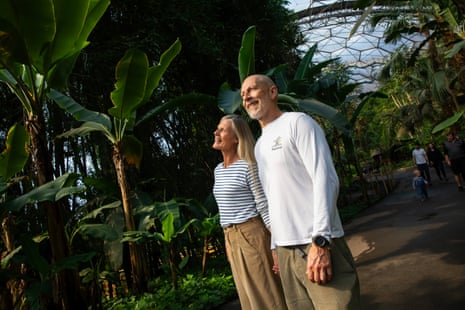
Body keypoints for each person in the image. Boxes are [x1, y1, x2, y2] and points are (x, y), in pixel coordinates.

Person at [241, 74, 360, 309]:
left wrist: (321, 241)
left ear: (272, 92)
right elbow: (273, 199)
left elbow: (325, 178)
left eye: (253, 90)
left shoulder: (298, 122)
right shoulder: (260, 145)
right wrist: (275, 245)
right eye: (244, 94)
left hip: (315, 242)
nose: (247, 97)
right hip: (286, 252)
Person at [212, 114, 287, 310]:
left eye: (222, 129)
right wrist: (228, 243)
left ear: (236, 138)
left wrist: (275, 245)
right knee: (249, 300)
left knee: (267, 297)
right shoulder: (218, 170)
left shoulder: (249, 166)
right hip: (232, 238)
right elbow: (224, 211)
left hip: (252, 235)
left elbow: (264, 205)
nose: (216, 132)